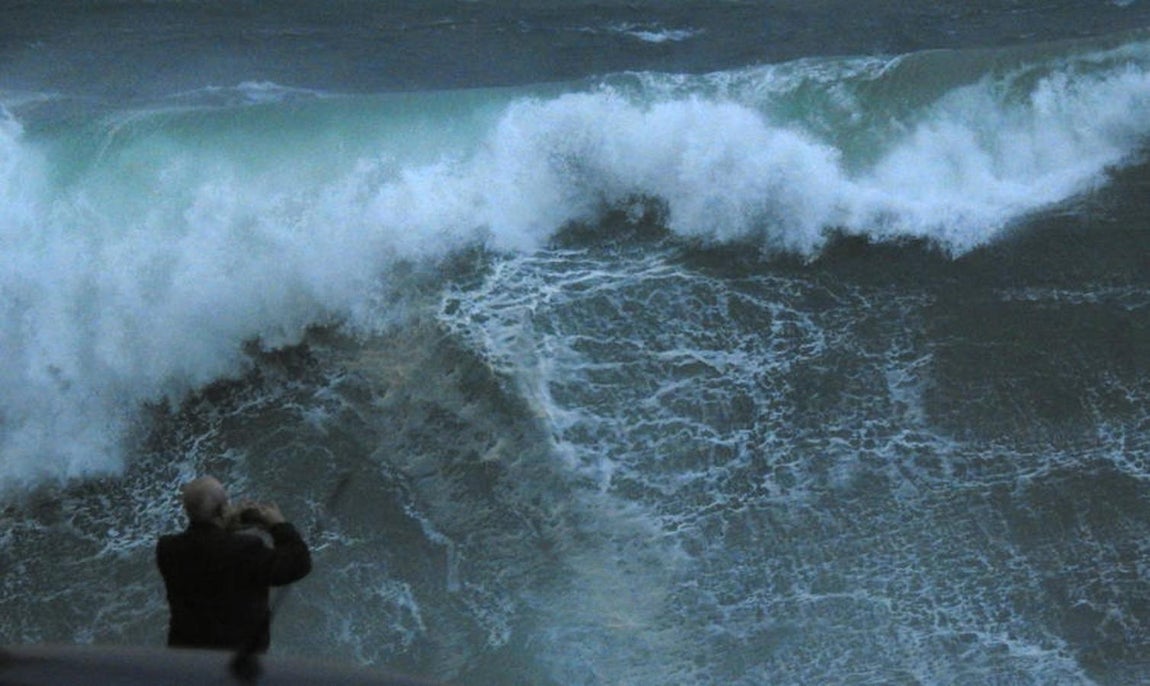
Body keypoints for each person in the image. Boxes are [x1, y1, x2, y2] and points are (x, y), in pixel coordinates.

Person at [156, 476, 312, 653]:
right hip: (235, 662)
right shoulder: (246, 549)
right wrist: (277, 525)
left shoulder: (167, 549)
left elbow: (207, 549)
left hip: (187, 660)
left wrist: (225, 528)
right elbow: (299, 563)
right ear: (223, 510)